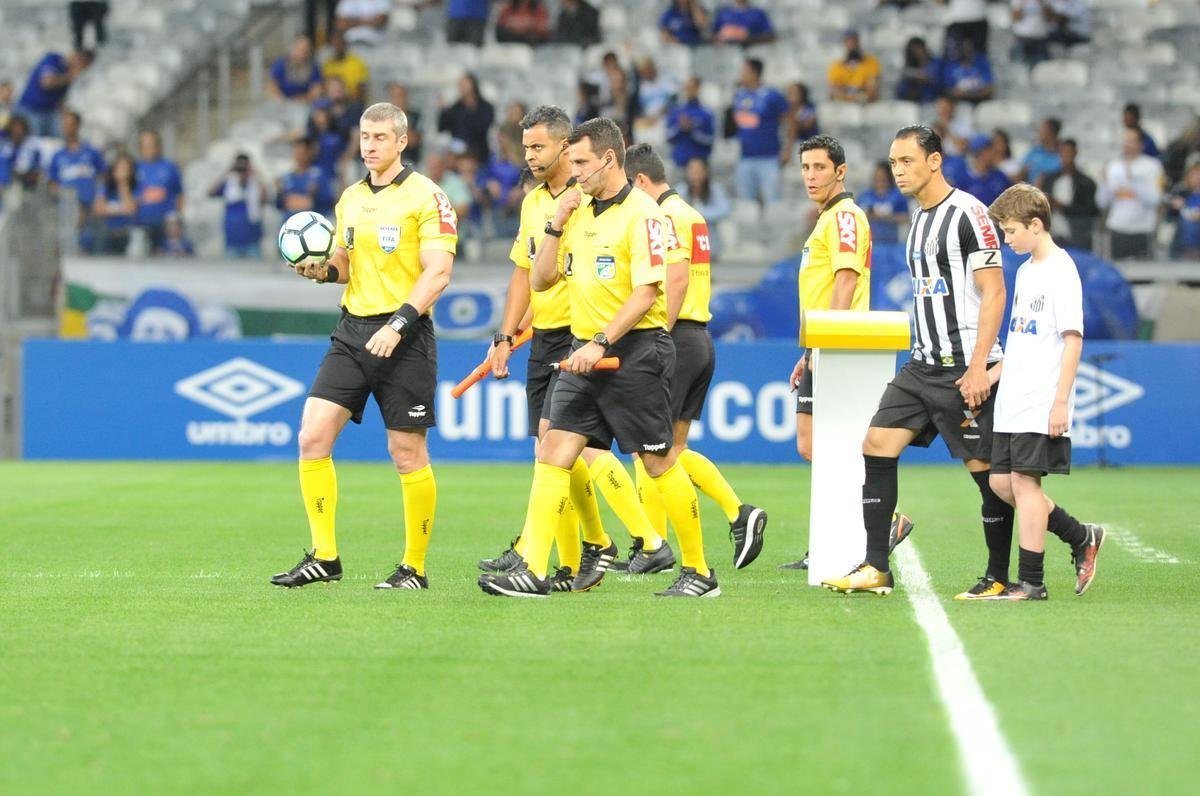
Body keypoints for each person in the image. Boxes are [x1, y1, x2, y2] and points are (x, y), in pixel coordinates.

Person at [479, 117, 716, 598]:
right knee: (553, 449)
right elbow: (542, 279)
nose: (575, 170)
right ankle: (534, 567)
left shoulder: (646, 214)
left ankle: (699, 571)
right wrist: (555, 224)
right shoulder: (578, 210)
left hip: (635, 351)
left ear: (609, 159)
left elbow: (648, 292)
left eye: (582, 162)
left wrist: (602, 343)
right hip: (581, 351)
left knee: (657, 461)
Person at [271, 102, 458, 590]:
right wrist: (323, 272)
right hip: (354, 331)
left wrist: (397, 324)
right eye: (364, 136)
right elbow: (346, 265)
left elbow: (438, 272)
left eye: (380, 137)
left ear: (402, 141)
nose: (370, 145)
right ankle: (325, 556)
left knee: (406, 452)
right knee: (312, 436)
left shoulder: (428, 197)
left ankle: (413, 567)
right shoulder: (350, 199)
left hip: (407, 335)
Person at [822, 126, 1013, 599]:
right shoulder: (917, 220)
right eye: (893, 163)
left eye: (907, 160)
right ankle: (876, 566)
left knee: (986, 472)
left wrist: (976, 369)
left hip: (963, 367)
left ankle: (999, 574)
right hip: (921, 365)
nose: (899, 170)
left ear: (934, 161)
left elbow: (995, 292)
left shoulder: (970, 214)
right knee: (876, 445)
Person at [624, 142, 768, 571]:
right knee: (672, 448)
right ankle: (734, 516)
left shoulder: (664, 216)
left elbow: (677, 275)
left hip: (675, 333)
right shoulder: (693, 214)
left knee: (646, 447)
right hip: (698, 336)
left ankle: (656, 544)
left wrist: (658, 335)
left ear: (641, 182)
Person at [778, 135, 911, 570]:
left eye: (820, 167)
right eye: (805, 168)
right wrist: (809, 348)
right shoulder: (827, 219)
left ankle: (875, 522)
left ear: (841, 171)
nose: (811, 176)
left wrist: (827, 340)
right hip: (822, 343)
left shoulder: (846, 217)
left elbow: (847, 280)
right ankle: (858, 527)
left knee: (829, 444)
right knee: (809, 442)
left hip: (840, 346)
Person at [985, 183, 1106, 599]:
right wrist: (991, 375)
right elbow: (1022, 339)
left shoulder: (1061, 269)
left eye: (1011, 230)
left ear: (1035, 225)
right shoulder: (1025, 270)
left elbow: (1072, 339)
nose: (1007, 239)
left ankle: (1031, 582)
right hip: (1013, 397)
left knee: (1024, 484)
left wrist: (1060, 402)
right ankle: (1080, 536)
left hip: (1040, 397)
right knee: (1001, 482)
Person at [728, 57, 788, 206]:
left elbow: (790, 120)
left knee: (773, 201)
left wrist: (788, 148)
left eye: (744, 71)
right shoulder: (739, 95)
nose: (741, 74)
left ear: (754, 73)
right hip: (745, 157)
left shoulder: (772, 95)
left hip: (768, 157)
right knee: (746, 203)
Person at [1098, 128, 1164, 260]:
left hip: (1143, 230)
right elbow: (1102, 202)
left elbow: (1155, 200)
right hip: (1117, 227)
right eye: (1125, 141)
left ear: (1141, 144)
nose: (1127, 144)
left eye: (1131, 141)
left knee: (1144, 275)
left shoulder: (1153, 166)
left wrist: (1133, 180)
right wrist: (1104, 184)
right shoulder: (1113, 166)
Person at [48, 110, 107, 244]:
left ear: (78, 126)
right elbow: (52, 183)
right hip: (68, 210)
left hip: (92, 208)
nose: (67, 128)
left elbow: (102, 176)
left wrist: (100, 196)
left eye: (71, 124)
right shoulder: (58, 156)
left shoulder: (91, 152)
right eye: (64, 125)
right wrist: (62, 196)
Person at [16, 49, 92, 137]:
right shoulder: (53, 59)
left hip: (49, 112)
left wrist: (66, 115)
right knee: (34, 142)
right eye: (82, 65)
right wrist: (69, 77)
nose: (81, 69)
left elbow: (60, 99)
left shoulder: (67, 74)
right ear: (76, 58)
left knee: (59, 138)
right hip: (30, 110)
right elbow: (46, 83)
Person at [208, 153, 268, 259]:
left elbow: (266, 199)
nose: (242, 171)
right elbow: (210, 192)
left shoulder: (255, 183)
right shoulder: (229, 183)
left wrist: (257, 176)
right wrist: (226, 172)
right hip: (232, 240)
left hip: (252, 240)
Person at [1043, 138, 1099, 251]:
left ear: (1075, 153)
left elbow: (1089, 210)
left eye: (1069, 152)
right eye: (1063, 152)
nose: (1066, 156)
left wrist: (1062, 206)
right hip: (1051, 232)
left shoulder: (1085, 182)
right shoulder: (1049, 179)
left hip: (1076, 234)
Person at [134, 130, 184, 255]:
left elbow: (180, 193)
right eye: (146, 145)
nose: (150, 148)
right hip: (141, 224)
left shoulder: (169, 167)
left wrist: (176, 215)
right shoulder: (134, 168)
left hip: (166, 226)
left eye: (153, 144)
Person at [679, 157, 731, 259]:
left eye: (698, 172)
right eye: (692, 172)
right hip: (685, 247)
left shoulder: (715, 189)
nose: (695, 176)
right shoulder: (681, 190)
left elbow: (725, 209)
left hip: (710, 243)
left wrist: (700, 213)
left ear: (705, 173)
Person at [437, 73, 495, 162]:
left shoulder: (485, 107)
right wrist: (443, 111)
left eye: (465, 84)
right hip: (458, 154)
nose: (463, 87)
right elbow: (442, 128)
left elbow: (483, 128)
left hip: (479, 151)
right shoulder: (456, 108)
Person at [91, 152, 138, 255]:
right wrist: (121, 210)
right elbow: (98, 209)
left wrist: (123, 183)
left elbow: (131, 209)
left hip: (126, 233)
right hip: (107, 233)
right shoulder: (105, 187)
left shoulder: (135, 188)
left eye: (126, 169)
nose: (122, 171)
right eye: (120, 168)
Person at [666, 76, 715, 168]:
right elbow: (668, 136)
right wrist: (680, 127)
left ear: (698, 89)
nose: (689, 91)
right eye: (687, 88)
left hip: (700, 164)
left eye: (692, 88)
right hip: (679, 162)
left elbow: (710, 140)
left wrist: (692, 131)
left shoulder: (706, 113)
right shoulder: (676, 111)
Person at [857, 160, 909, 244]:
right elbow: (855, 217)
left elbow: (905, 217)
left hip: (892, 245)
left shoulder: (897, 196)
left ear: (888, 178)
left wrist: (884, 216)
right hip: (870, 244)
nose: (879, 180)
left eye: (882, 177)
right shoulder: (864, 196)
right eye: (877, 177)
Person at [827, 29, 881, 104]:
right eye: (848, 41)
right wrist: (854, 97)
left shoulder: (871, 63)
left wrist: (849, 96)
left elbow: (872, 91)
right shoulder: (836, 66)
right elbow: (834, 91)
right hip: (845, 105)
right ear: (844, 43)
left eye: (854, 41)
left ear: (859, 42)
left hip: (865, 105)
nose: (852, 44)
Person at [961, 133, 1011, 207]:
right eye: (990, 149)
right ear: (981, 154)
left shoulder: (1001, 177)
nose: (994, 153)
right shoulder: (963, 179)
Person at [940, 36, 993, 104]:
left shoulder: (981, 63)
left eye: (969, 49)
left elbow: (989, 90)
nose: (966, 51)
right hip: (958, 105)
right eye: (963, 48)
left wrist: (967, 94)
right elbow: (948, 91)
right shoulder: (951, 67)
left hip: (980, 104)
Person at [269, 35, 322, 102]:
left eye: (305, 50)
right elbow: (272, 85)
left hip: (303, 103)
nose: (302, 53)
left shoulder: (314, 67)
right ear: (293, 49)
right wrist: (281, 100)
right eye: (299, 49)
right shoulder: (281, 63)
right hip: (282, 102)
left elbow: (316, 91)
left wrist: (301, 100)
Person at [321, 30, 370, 101]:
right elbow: (324, 88)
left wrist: (346, 97)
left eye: (340, 43)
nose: (338, 46)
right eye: (335, 44)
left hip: (352, 102)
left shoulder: (357, 62)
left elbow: (362, 88)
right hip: (331, 103)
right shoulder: (327, 64)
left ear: (345, 44)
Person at [896, 36, 942, 104]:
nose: (917, 52)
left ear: (924, 48)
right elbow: (901, 91)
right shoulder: (908, 69)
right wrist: (914, 82)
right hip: (914, 103)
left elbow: (942, 83)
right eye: (913, 50)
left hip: (933, 102)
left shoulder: (937, 64)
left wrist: (928, 79)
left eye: (919, 48)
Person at [1168, 163, 1200, 260]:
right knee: (1186, 224)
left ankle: (1192, 252)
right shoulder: (1181, 192)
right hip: (1182, 228)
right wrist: (1175, 207)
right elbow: (1170, 216)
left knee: (1190, 225)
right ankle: (1188, 252)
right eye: (1193, 176)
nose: (1197, 179)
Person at [1019, 117, 1062, 187]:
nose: (1039, 133)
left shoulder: (1063, 153)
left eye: (1042, 130)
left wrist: (1045, 178)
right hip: (1031, 192)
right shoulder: (1035, 151)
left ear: (1051, 133)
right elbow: (1023, 169)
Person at [387, 83, 423, 165]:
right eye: (394, 97)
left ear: (406, 97)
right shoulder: (385, 118)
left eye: (400, 96)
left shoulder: (416, 116)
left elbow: (412, 141)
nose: (398, 100)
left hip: (410, 162)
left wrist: (402, 115)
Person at [711, 0, 775, 46]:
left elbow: (770, 36)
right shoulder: (723, 13)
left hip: (753, 52)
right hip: (728, 54)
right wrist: (722, 37)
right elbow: (713, 36)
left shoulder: (758, 13)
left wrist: (747, 38)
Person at [2, 115, 41, 189]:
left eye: (19, 127)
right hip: (6, 182)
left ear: (25, 129)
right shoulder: (5, 146)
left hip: (25, 183)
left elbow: (35, 168)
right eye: (14, 127)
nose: (17, 131)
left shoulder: (32, 147)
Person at [782, 81, 820, 155]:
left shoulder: (809, 108)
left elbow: (807, 124)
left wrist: (792, 122)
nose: (790, 96)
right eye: (789, 93)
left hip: (809, 145)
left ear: (802, 95)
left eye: (794, 93)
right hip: (791, 145)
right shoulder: (786, 109)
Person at [1011, 0, 1051, 66]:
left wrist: (1041, 3)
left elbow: (1049, 18)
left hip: (1040, 37)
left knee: (1042, 66)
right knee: (1020, 66)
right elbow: (1015, 18)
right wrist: (1022, 3)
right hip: (1022, 37)